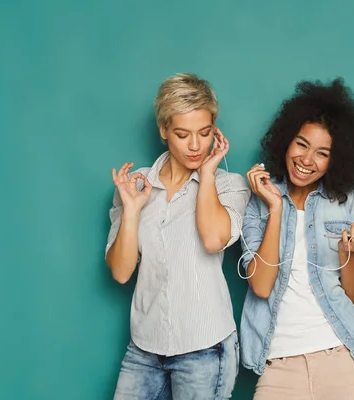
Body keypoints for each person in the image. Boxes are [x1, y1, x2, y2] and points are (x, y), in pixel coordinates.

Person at [239, 78, 354, 399]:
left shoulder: (349, 203)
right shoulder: (260, 199)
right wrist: (275, 209)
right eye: (301, 144)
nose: (307, 160)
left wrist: (346, 251)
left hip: (346, 355)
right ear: (286, 141)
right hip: (280, 365)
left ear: (335, 161)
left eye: (322, 153)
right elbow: (261, 285)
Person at [105, 73, 250, 399]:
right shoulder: (137, 184)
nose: (196, 145)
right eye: (183, 134)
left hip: (205, 349)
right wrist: (131, 210)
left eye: (205, 132)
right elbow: (121, 271)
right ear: (163, 130)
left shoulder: (229, 185)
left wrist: (208, 174)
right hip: (145, 346)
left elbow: (213, 239)